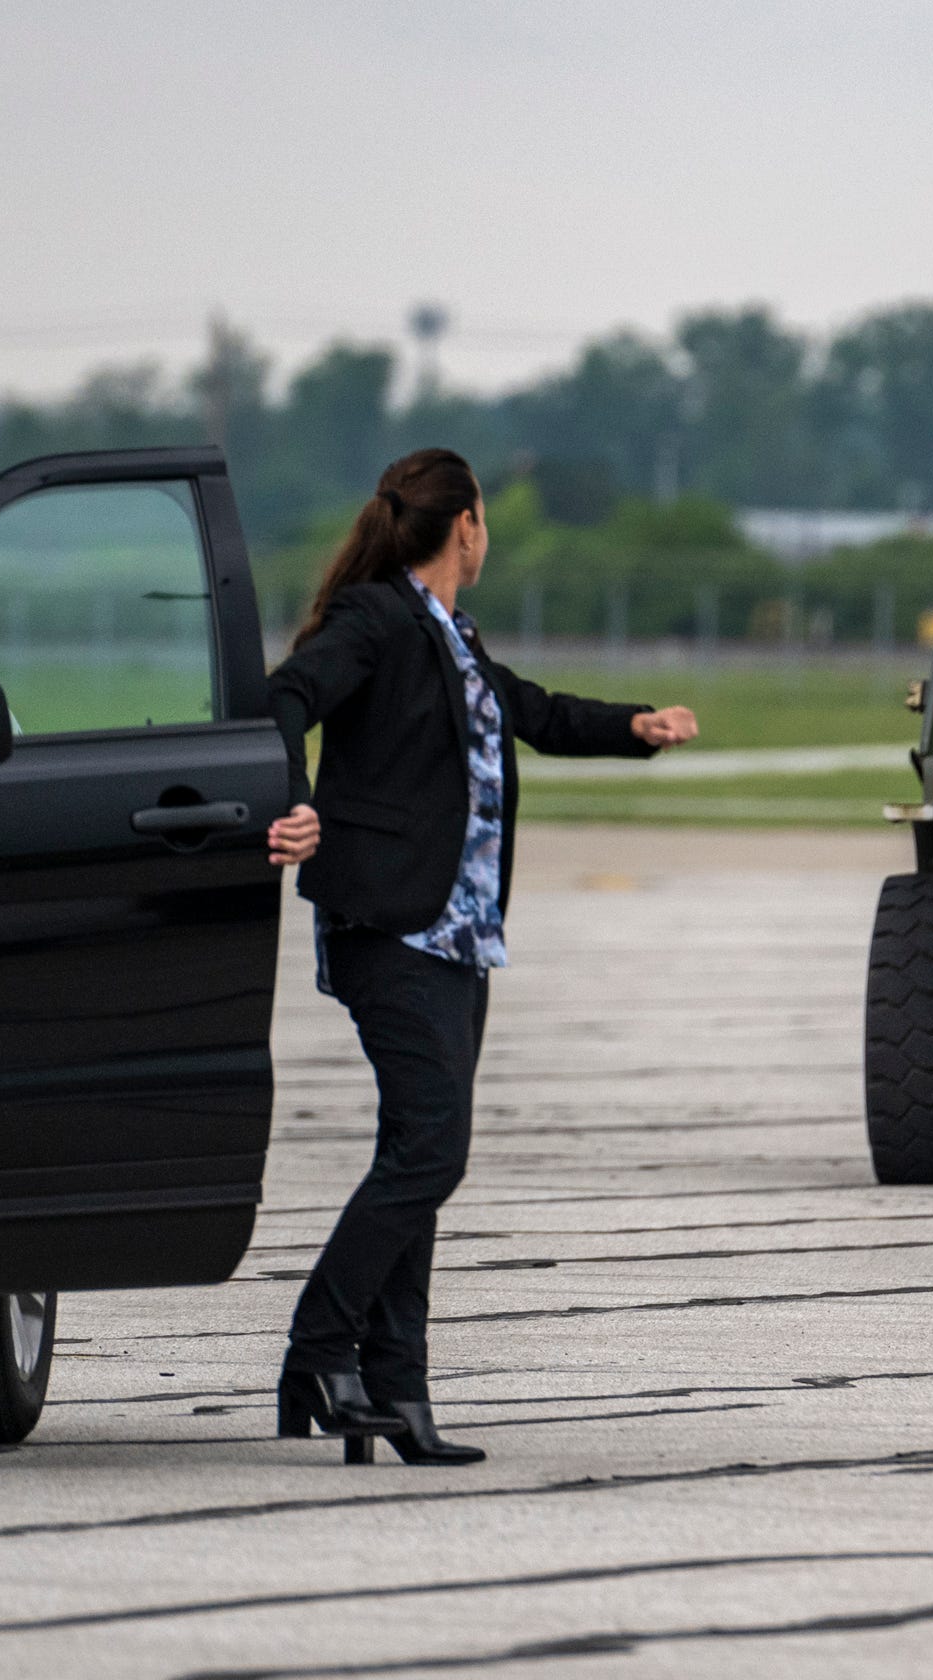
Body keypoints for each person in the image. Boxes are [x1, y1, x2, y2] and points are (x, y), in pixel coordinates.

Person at [260, 448, 697, 1468]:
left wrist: (636, 727)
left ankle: (396, 1391)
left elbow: (531, 710)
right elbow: (284, 699)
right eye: (487, 519)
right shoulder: (374, 620)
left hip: (457, 937)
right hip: (391, 928)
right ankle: (319, 1350)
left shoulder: (451, 636)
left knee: (419, 1153)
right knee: (430, 1152)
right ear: (465, 525)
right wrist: (292, 800)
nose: (488, 534)